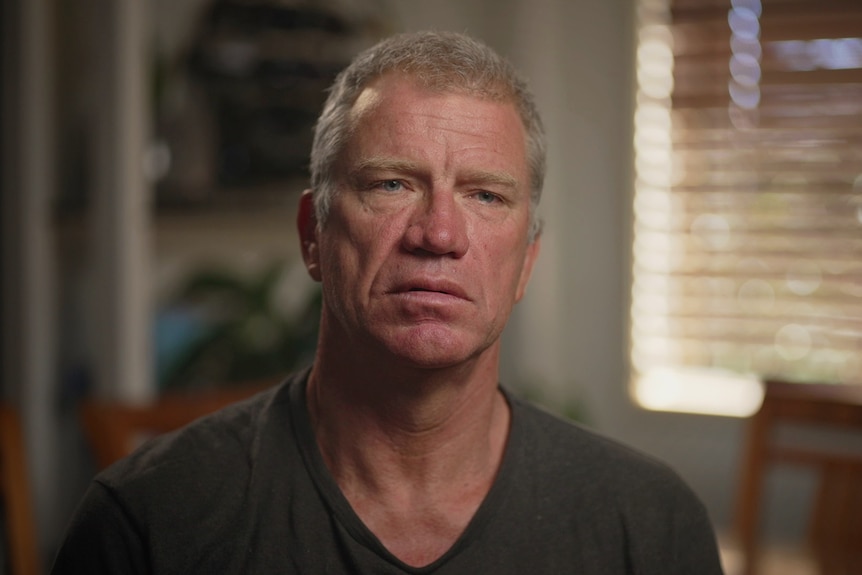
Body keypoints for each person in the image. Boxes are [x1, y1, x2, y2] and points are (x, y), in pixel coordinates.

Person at [52, 30, 725, 574]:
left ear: (525, 263)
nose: (438, 233)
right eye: (392, 184)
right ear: (313, 234)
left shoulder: (651, 527)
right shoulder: (146, 525)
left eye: (485, 195)